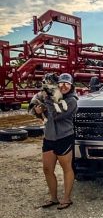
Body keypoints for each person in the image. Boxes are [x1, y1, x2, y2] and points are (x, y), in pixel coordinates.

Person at [34, 73, 78, 210]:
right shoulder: (50, 97)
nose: (64, 86)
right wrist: (38, 110)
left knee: (66, 168)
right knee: (47, 169)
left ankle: (66, 198)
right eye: (61, 83)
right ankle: (53, 198)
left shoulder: (72, 101)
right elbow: (44, 114)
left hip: (64, 137)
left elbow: (55, 115)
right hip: (49, 137)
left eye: (67, 84)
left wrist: (47, 101)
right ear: (57, 84)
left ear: (71, 86)